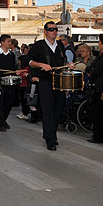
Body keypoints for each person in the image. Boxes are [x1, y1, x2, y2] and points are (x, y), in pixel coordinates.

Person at [28, 21, 70, 151]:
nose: (54, 31)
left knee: (58, 110)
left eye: (56, 29)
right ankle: (51, 139)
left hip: (59, 81)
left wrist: (69, 65)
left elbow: (64, 62)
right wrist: (41, 65)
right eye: (51, 29)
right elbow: (29, 62)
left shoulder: (60, 46)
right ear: (45, 31)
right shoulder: (38, 45)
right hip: (45, 81)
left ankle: (49, 134)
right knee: (47, 110)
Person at [0, 34, 21, 132]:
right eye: (8, 41)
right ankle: (2, 123)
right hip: (0, 82)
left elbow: (13, 67)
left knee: (10, 102)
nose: (10, 43)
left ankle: (3, 119)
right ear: (2, 42)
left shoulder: (11, 55)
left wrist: (16, 71)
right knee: (1, 103)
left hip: (10, 82)